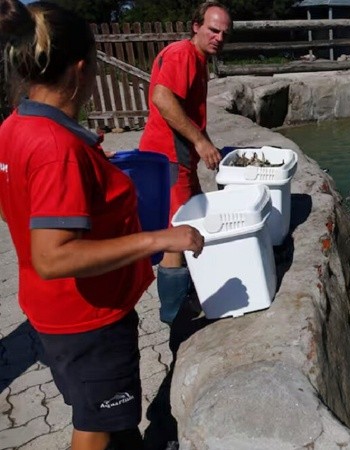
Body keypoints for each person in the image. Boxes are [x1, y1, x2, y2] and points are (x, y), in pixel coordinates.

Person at [0, 1, 205, 449]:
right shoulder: (58, 149)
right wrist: (159, 238)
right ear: (80, 70)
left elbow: (19, 200)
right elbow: (53, 257)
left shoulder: (15, 126)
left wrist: (88, 169)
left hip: (51, 313)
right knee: (95, 426)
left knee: (111, 423)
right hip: (88, 322)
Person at [139, 1, 232, 325]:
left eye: (224, 33)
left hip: (178, 158)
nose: (219, 38)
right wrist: (200, 142)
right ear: (196, 26)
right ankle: (175, 316)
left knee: (195, 220)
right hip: (169, 157)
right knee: (178, 234)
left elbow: (188, 111)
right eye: (213, 30)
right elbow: (162, 98)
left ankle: (191, 292)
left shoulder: (198, 59)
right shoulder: (183, 55)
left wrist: (207, 143)